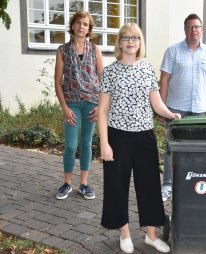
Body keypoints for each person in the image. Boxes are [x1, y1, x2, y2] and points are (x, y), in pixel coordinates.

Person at [98, 23, 181, 254]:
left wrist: (170, 113)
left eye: (135, 37)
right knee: (117, 186)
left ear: (140, 42)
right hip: (117, 136)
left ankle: (151, 236)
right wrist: (104, 143)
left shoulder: (146, 69)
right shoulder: (110, 71)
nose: (130, 41)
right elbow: (102, 111)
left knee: (150, 186)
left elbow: (156, 103)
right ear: (120, 42)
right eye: (126, 37)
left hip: (144, 135)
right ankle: (124, 233)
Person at [159, 13, 206, 201]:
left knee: (196, 149)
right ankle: (168, 185)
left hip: (199, 111)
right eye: (190, 27)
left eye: (197, 27)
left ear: (202, 30)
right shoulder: (173, 51)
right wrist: (162, 107)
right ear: (185, 29)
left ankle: (190, 183)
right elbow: (164, 80)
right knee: (172, 149)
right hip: (175, 110)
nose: (194, 30)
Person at [54, 11, 103, 200]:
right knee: (71, 145)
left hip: (91, 103)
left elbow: (103, 79)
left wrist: (100, 106)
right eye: (78, 23)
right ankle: (67, 183)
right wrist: (64, 107)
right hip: (72, 103)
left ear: (89, 29)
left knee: (86, 142)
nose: (82, 27)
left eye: (85, 24)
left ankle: (84, 183)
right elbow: (58, 80)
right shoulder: (62, 50)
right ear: (73, 26)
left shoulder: (95, 50)